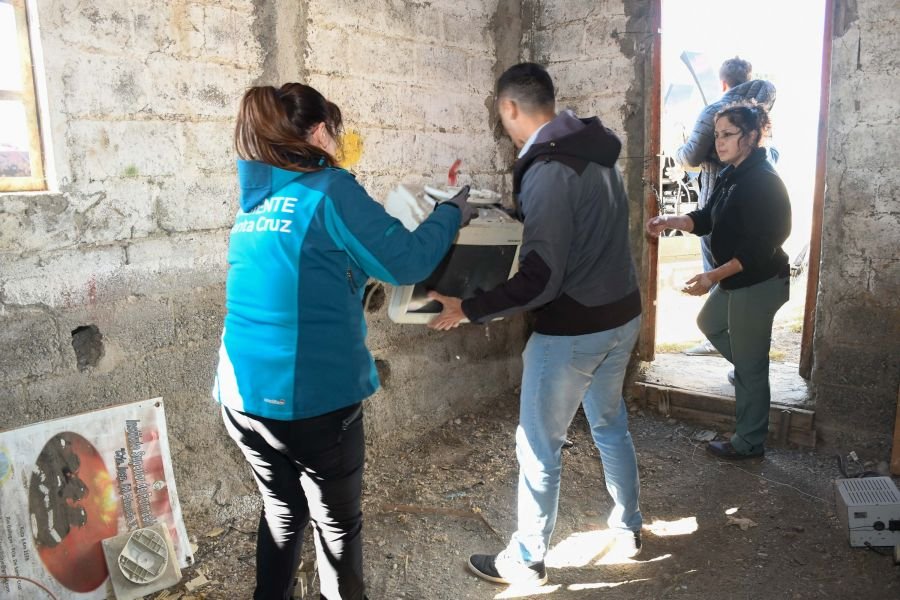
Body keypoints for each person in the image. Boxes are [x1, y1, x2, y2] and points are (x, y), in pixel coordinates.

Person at [212, 83, 474, 600]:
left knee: (283, 510)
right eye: (335, 131)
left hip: (240, 398)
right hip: (310, 403)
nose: (338, 142)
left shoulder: (257, 201)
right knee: (337, 529)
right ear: (316, 132)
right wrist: (451, 213)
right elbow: (407, 261)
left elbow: (311, 268)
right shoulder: (329, 188)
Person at [429, 63, 644, 586]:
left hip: (573, 330)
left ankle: (526, 558)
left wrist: (470, 308)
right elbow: (579, 227)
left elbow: (542, 279)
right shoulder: (594, 152)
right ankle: (629, 525)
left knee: (538, 446)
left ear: (510, 108)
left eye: (501, 117)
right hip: (623, 315)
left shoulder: (547, 169)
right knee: (609, 423)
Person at [646, 104, 791, 460]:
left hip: (759, 282)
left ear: (753, 136)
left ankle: (749, 441)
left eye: (728, 134)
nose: (719, 142)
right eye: (718, 134)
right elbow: (707, 217)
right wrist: (671, 219)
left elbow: (758, 251)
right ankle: (750, 368)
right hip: (739, 280)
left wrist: (711, 276)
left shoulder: (764, 182)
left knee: (749, 367)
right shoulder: (734, 173)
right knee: (708, 322)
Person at [676, 57, 776, 356]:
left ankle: (731, 343)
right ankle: (741, 346)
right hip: (745, 200)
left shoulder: (713, 113)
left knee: (718, 266)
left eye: (726, 136)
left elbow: (691, 157)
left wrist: (682, 150)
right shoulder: (761, 112)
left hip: (716, 197)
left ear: (723, 83)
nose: (723, 141)